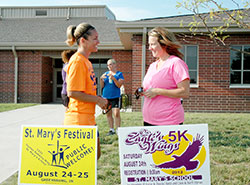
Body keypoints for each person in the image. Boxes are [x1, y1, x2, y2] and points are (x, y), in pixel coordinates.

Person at [64, 23, 108, 159]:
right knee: (85, 165)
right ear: (83, 41)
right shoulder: (77, 61)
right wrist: (98, 100)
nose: (98, 42)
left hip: (87, 118)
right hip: (78, 121)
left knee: (95, 157)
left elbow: (84, 91)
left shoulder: (86, 61)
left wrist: (98, 98)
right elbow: (72, 92)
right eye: (95, 38)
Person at [142, 27, 190, 126]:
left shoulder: (176, 63)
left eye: (152, 44)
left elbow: (185, 92)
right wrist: (144, 91)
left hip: (169, 122)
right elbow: (151, 88)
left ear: (164, 44)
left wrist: (157, 91)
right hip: (148, 121)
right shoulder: (152, 66)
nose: (149, 48)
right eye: (149, 44)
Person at [100, 59, 124, 135]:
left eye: (110, 64)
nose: (109, 66)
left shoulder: (119, 74)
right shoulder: (105, 74)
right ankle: (111, 129)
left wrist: (114, 79)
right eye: (107, 65)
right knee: (108, 113)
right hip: (106, 96)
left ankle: (118, 129)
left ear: (114, 65)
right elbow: (102, 86)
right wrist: (101, 79)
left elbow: (119, 85)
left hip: (115, 96)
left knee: (116, 113)